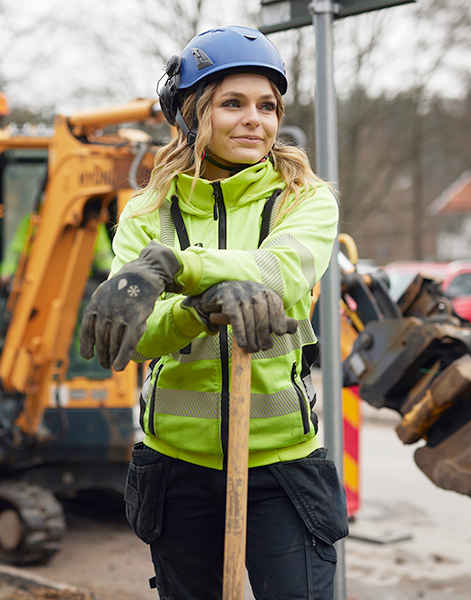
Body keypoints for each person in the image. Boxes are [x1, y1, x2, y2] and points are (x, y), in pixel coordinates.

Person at [79, 25, 347, 600]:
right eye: (233, 104)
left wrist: (175, 267)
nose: (255, 120)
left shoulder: (304, 198)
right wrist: (199, 312)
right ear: (192, 114)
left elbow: (283, 271)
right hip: (178, 470)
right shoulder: (147, 212)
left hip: (282, 468)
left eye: (267, 106)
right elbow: (139, 335)